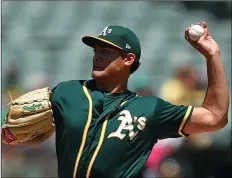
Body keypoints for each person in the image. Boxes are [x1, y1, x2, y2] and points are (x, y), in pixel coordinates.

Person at [2, 22, 229, 178]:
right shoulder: (67, 92)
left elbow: (215, 117)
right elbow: (11, 128)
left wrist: (212, 56)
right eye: (96, 50)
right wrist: (8, 132)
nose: (97, 55)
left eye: (106, 50)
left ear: (129, 59)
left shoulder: (149, 108)